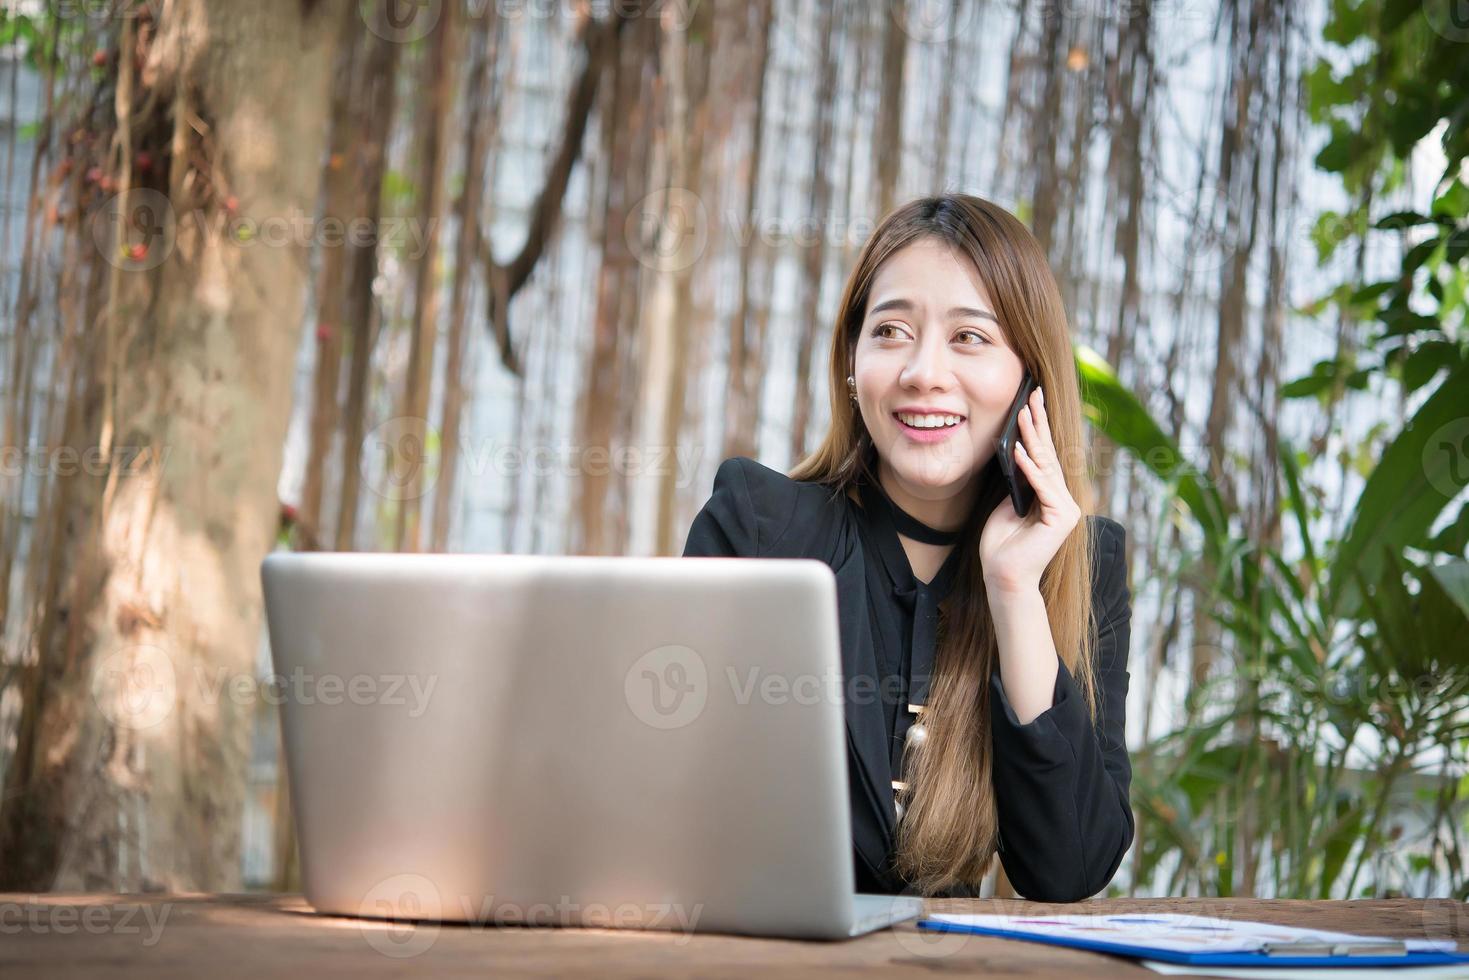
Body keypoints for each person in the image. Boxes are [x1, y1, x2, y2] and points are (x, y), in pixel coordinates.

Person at [682, 194, 1133, 901]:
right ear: (852, 364)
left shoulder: (1084, 562)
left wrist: (1013, 591)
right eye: (890, 330)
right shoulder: (757, 527)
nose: (923, 372)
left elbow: (1068, 868)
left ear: (1030, 381)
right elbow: (678, 796)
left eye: (969, 338)